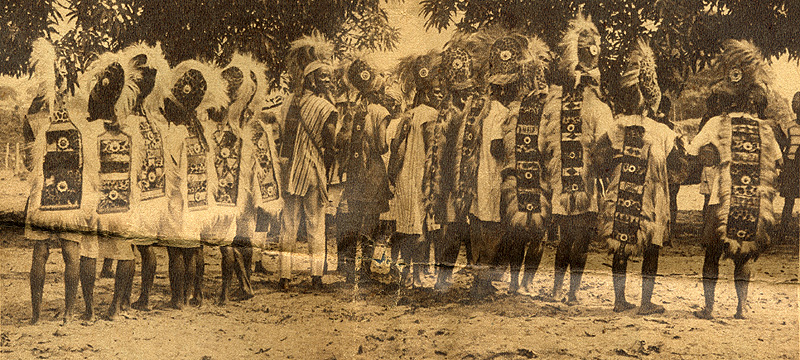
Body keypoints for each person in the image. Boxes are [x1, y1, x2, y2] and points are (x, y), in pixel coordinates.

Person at [688, 40, 782, 320]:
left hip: (719, 199)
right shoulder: (764, 129)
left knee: (712, 254)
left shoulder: (717, 122)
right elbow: (777, 163)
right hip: (751, 201)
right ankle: (740, 308)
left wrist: (711, 154)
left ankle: (709, 307)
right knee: (742, 255)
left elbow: (693, 151)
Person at [594, 38, 685, 314]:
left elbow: (599, 156)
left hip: (622, 188)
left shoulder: (617, 125)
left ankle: (619, 301)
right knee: (651, 247)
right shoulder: (662, 130)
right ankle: (645, 303)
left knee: (620, 244)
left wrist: (612, 174)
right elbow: (679, 168)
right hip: (653, 194)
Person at [26, 38, 103, 323]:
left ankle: (35, 316)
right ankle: (69, 313)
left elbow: (28, 153)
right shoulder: (84, 116)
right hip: (74, 193)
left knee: (40, 253)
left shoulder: (37, 115)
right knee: (72, 253)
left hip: (43, 192)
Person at [539, 12, 613, 305]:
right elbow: (605, 150)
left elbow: (545, 146)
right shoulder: (597, 107)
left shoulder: (557, 104)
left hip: (566, 185)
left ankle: (561, 290)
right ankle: (569, 293)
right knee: (578, 240)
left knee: (567, 239)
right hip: (582, 185)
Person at [160, 60, 228, 309]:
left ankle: (177, 298)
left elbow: (168, 167)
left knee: (176, 251)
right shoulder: (201, 131)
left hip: (179, 198)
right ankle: (194, 294)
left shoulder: (175, 132)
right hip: (199, 198)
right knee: (194, 248)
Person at [278, 33, 338, 291]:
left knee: (288, 224)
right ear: (313, 79)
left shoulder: (290, 101)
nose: (326, 81)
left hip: (290, 170)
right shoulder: (326, 107)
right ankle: (316, 276)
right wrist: (329, 165)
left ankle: (284, 277)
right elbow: (331, 144)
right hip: (313, 170)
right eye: (322, 77)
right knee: (316, 224)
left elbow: (283, 135)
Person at [118, 43, 172, 312]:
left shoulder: (128, 120)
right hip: (155, 192)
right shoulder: (154, 120)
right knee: (146, 247)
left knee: (128, 247)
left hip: (136, 192)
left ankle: (125, 298)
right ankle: (145, 297)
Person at [498, 35, 552, 295]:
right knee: (527, 232)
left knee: (526, 232)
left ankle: (519, 282)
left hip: (528, 177)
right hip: (524, 176)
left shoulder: (520, 109)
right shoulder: (518, 109)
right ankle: (520, 282)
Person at [335, 56, 392, 284]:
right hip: (374, 174)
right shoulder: (380, 112)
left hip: (355, 174)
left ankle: (349, 270)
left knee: (353, 220)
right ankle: (366, 272)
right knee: (370, 222)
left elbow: (342, 140)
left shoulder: (353, 110)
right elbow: (381, 145)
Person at [391, 51, 443, 288]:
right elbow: (434, 152)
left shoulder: (407, 115)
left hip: (405, 177)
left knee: (406, 227)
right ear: (426, 93)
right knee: (422, 227)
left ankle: (406, 273)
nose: (439, 95)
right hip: (423, 176)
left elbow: (397, 150)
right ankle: (420, 274)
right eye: (435, 91)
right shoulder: (431, 115)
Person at [779, 92, 800, 234]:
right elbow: (786, 146)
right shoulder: (790, 126)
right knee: (789, 199)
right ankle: (783, 229)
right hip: (792, 166)